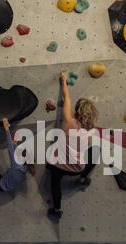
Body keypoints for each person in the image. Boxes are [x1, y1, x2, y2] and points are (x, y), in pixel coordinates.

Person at [46, 72, 99, 222]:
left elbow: (66, 97)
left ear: (77, 110)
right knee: (95, 151)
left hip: (57, 165)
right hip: (76, 168)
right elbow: (85, 147)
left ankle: (57, 209)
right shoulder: (91, 131)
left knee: (55, 184)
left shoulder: (68, 120)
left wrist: (63, 80)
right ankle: (82, 179)